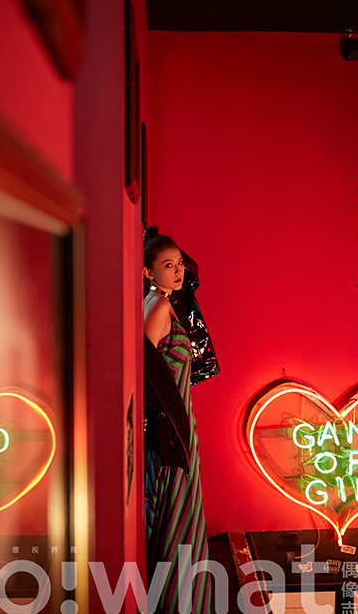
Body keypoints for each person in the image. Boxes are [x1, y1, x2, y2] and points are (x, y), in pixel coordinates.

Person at [143, 225, 212, 614]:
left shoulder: (162, 302)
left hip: (177, 423)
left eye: (180, 263)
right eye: (167, 265)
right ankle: (177, 602)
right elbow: (145, 369)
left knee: (179, 513)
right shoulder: (156, 307)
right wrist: (167, 423)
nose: (178, 270)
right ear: (148, 272)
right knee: (177, 515)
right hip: (171, 426)